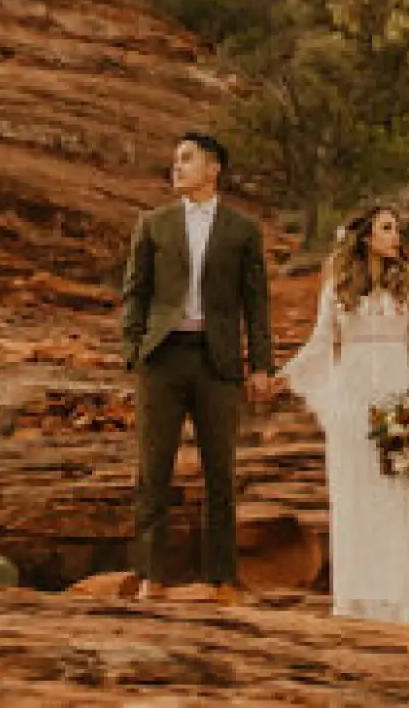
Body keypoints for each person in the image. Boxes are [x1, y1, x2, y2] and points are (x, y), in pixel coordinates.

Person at [278, 206, 409, 626]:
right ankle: (359, 596)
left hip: (398, 396)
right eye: (386, 228)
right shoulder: (339, 284)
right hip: (353, 399)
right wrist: (286, 374)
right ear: (365, 237)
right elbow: (321, 341)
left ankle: (399, 593)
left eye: (396, 227)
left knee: (397, 493)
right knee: (356, 493)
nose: (396, 235)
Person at [119, 130, 276, 602]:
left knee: (220, 473)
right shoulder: (153, 224)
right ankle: (150, 576)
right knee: (153, 469)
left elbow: (257, 304)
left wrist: (262, 364)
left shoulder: (242, 230)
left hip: (218, 360)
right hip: (162, 358)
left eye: (187, 159)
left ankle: (222, 579)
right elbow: (135, 294)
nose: (177, 167)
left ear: (213, 169)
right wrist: (134, 351)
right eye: (176, 160)